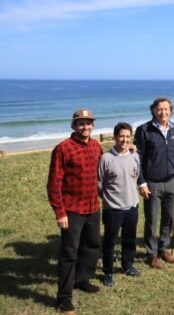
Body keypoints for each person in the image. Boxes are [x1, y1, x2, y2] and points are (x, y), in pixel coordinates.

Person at [47, 109, 103, 315]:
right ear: (74, 125)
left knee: (92, 246)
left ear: (93, 126)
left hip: (92, 207)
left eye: (88, 123)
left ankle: (82, 280)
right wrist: (59, 212)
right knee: (69, 253)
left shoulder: (97, 146)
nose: (85, 127)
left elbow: (105, 170)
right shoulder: (63, 149)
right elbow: (54, 183)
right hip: (72, 209)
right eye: (81, 123)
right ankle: (64, 298)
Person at [134, 97, 174, 269]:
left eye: (166, 109)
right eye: (159, 109)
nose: (163, 112)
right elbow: (138, 159)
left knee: (168, 218)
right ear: (153, 111)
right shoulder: (144, 130)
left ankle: (163, 248)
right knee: (152, 219)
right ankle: (152, 254)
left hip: (172, 180)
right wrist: (141, 182)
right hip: (152, 183)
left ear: (171, 111)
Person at [98, 122, 141, 287]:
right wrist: (109, 199)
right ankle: (108, 272)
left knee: (129, 239)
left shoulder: (135, 155)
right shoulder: (106, 158)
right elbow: (99, 184)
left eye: (127, 136)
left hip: (132, 207)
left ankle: (127, 265)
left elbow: (136, 178)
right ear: (115, 137)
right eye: (121, 136)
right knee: (110, 242)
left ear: (131, 138)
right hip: (113, 210)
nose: (124, 139)